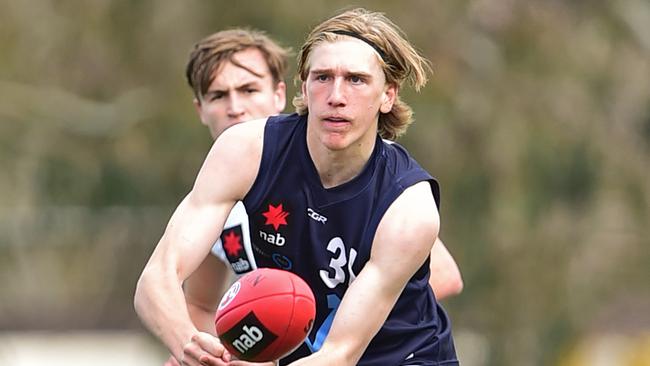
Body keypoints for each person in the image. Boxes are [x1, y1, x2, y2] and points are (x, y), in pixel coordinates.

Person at [136, 9, 459, 365]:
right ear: (303, 86)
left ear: (388, 95)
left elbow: (340, 354)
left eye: (356, 79)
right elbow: (157, 278)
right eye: (322, 77)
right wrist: (189, 346)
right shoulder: (244, 152)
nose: (336, 95)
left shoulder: (409, 206)